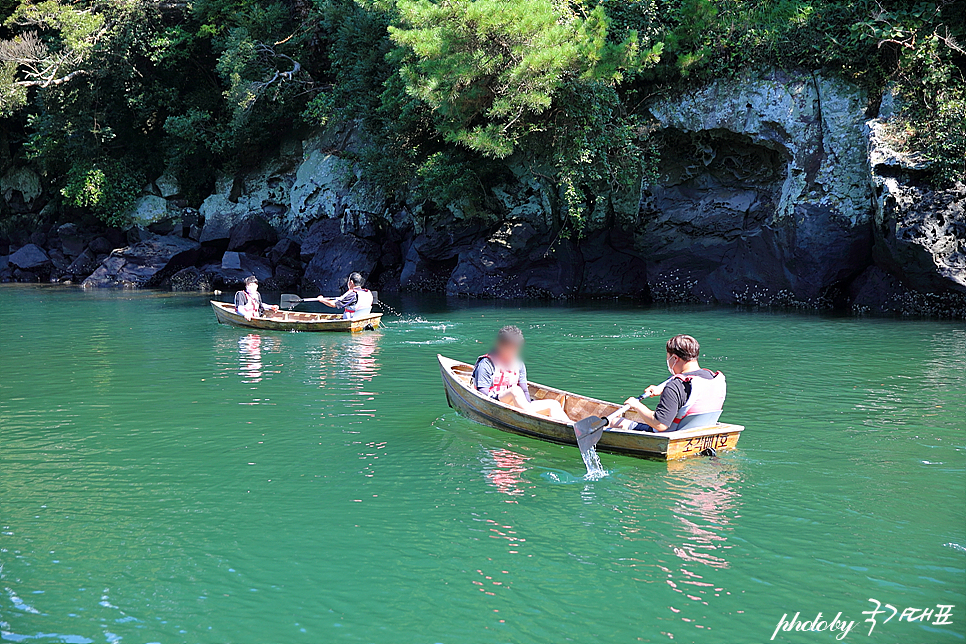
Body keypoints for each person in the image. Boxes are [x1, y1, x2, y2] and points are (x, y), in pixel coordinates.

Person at [608, 334, 726, 432]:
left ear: (675, 358)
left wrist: (636, 405)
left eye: (668, 356)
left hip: (674, 435)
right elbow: (695, 396)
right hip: (702, 431)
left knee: (614, 422)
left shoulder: (675, 386)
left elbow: (660, 425)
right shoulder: (713, 377)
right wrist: (663, 390)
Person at [472, 325, 571, 423]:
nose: (512, 352)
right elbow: (482, 394)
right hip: (494, 403)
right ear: (499, 345)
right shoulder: (486, 364)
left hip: (519, 405)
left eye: (515, 349)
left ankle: (574, 429)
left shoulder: (519, 364)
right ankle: (535, 421)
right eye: (509, 348)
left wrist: (526, 405)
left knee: (553, 404)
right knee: (515, 390)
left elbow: (525, 390)